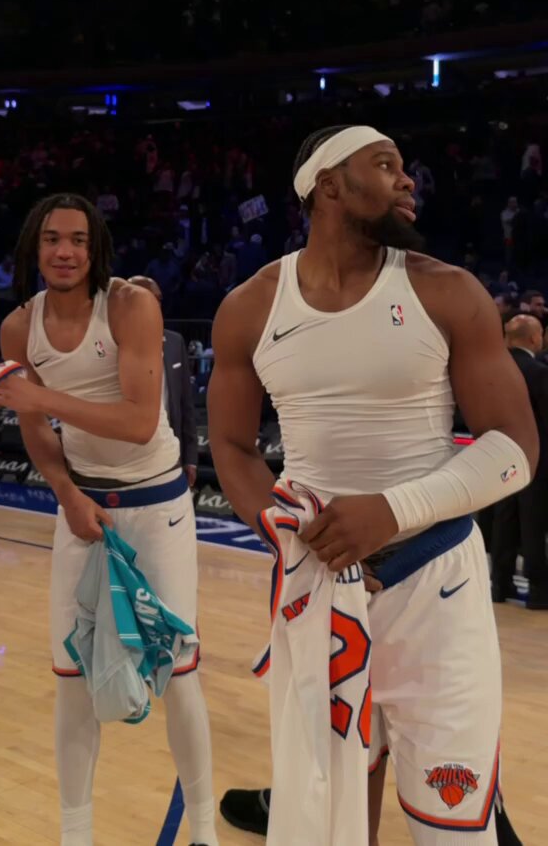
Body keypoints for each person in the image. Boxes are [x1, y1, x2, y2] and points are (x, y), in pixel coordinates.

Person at [207, 125, 537, 845]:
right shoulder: (250, 306)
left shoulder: (447, 290)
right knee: (329, 822)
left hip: (435, 585)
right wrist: (279, 527)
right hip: (320, 587)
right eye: (385, 165)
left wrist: (392, 512)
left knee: (455, 831)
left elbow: (514, 449)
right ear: (328, 185)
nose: (407, 179)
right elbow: (230, 446)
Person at [0, 193, 217, 846]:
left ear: (95, 248)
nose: (64, 251)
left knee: (180, 677)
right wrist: (64, 492)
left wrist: (42, 395)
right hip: (83, 510)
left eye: (78, 240)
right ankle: (74, 836)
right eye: (52, 238)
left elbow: (141, 423)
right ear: (34, 246)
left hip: (156, 505)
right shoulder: (16, 328)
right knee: (72, 680)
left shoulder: (131, 305)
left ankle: (205, 833)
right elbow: (36, 432)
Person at [491, 314, 548, 609]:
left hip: (496, 454)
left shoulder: (489, 370)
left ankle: (499, 585)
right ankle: (539, 592)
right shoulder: (539, 372)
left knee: (504, 520)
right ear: (534, 338)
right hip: (536, 458)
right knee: (533, 524)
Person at [128, 275, 198, 488]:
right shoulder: (110, 344)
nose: (155, 304)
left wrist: (190, 458)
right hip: (126, 452)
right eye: (148, 298)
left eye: (158, 299)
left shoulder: (174, 342)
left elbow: (185, 403)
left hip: (170, 451)